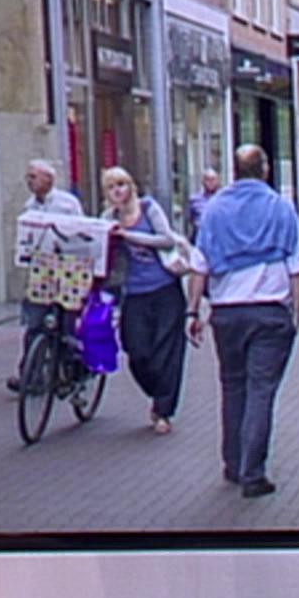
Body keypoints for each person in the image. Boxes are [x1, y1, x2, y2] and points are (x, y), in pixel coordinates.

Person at [183, 144, 299, 498]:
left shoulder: (215, 210)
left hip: (227, 313)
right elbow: (297, 267)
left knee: (233, 386)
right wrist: (296, 313)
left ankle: (233, 463)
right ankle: (253, 474)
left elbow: (199, 265)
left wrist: (192, 311)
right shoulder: (281, 208)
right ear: (264, 169)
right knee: (261, 391)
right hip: (269, 312)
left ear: (234, 171)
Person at [99, 166, 188, 435]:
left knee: (167, 351)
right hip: (135, 292)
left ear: (131, 186)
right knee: (136, 351)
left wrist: (129, 236)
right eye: (112, 187)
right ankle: (156, 392)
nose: (118, 191)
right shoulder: (108, 219)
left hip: (164, 287)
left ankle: (163, 410)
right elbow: (100, 253)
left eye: (122, 185)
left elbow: (166, 239)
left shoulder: (148, 208)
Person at [8, 159, 87, 393]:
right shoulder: (29, 207)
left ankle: (68, 373)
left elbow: (81, 234)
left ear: (48, 179)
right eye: (28, 176)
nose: (29, 181)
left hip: (67, 270)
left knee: (66, 327)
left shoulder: (67, 204)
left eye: (33, 176)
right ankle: (31, 377)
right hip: (41, 270)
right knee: (34, 324)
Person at [184, 168, 221, 244]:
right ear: (203, 181)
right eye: (208, 179)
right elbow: (188, 221)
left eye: (213, 179)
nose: (210, 182)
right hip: (198, 239)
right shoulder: (194, 200)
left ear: (217, 181)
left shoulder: (223, 199)